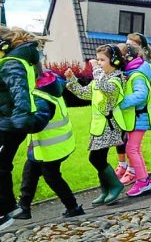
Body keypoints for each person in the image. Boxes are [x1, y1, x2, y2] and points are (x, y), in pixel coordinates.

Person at [12, 71, 85, 220]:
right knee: (30, 172)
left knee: (51, 176)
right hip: (48, 146)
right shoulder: (50, 84)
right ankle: (24, 207)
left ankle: (73, 207)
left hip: (52, 148)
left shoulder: (41, 99)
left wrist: (20, 122)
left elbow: (37, 122)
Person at [0, 26, 51, 231]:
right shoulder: (14, 60)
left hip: (11, 124)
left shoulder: (12, 63)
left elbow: (19, 92)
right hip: (8, 121)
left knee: (1, 166)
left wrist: (20, 122)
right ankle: (8, 208)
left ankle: (5, 212)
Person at [65, 44, 125, 205]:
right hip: (98, 127)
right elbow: (84, 93)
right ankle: (105, 190)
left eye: (102, 60)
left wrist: (96, 70)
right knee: (99, 158)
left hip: (109, 125)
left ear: (114, 60)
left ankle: (115, 186)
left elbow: (106, 88)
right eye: (97, 59)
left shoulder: (117, 79)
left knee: (96, 158)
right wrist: (71, 80)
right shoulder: (101, 78)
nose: (98, 63)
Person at [115, 32, 151, 185]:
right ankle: (123, 166)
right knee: (122, 141)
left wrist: (150, 104)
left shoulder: (145, 69)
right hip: (126, 113)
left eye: (131, 46)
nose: (127, 48)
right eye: (126, 44)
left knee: (132, 146)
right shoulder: (126, 68)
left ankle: (134, 172)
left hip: (137, 113)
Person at [117, 43, 151, 196]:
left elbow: (141, 95)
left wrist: (121, 102)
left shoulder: (137, 75)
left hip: (139, 118)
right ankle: (143, 179)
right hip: (136, 118)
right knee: (134, 149)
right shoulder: (134, 72)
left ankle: (143, 181)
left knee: (132, 149)